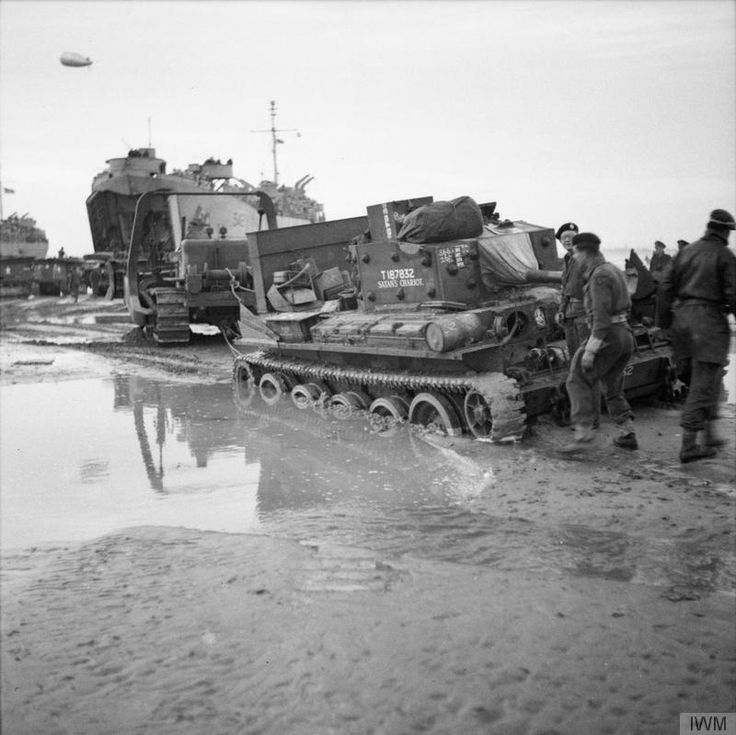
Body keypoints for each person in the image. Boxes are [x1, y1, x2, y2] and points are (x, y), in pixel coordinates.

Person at [658, 208, 736, 463]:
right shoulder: (724, 255)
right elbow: (734, 295)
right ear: (725, 231)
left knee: (705, 380)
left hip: (682, 322)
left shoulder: (685, 251)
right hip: (709, 323)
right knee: (704, 383)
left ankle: (710, 435)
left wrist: (665, 324)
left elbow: (665, 288)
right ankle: (689, 446)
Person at [561, 232, 637, 454]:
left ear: (584, 252)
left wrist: (591, 350)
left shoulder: (598, 276)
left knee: (577, 379)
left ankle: (583, 435)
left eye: (575, 252)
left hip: (607, 335)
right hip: (624, 334)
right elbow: (627, 304)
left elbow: (601, 319)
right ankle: (627, 432)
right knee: (612, 386)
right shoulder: (613, 269)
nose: (574, 257)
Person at [556, 221, 601, 428]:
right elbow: (566, 288)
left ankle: (590, 418)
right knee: (575, 364)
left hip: (583, 312)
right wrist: (561, 310)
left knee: (585, 366)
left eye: (570, 236)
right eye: (563, 237)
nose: (567, 240)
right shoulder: (567, 259)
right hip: (570, 315)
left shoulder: (585, 259)